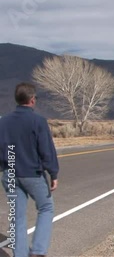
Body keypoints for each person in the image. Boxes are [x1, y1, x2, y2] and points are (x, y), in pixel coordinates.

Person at [0, 82, 59, 257]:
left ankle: (20, 254)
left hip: (10, 174)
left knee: (17, 216)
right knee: (46, 207)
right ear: (32, 100)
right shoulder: (38, 121)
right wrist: (53, 173)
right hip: (32, 174)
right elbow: (46, 150)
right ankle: (38, 251)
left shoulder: (3, 122)